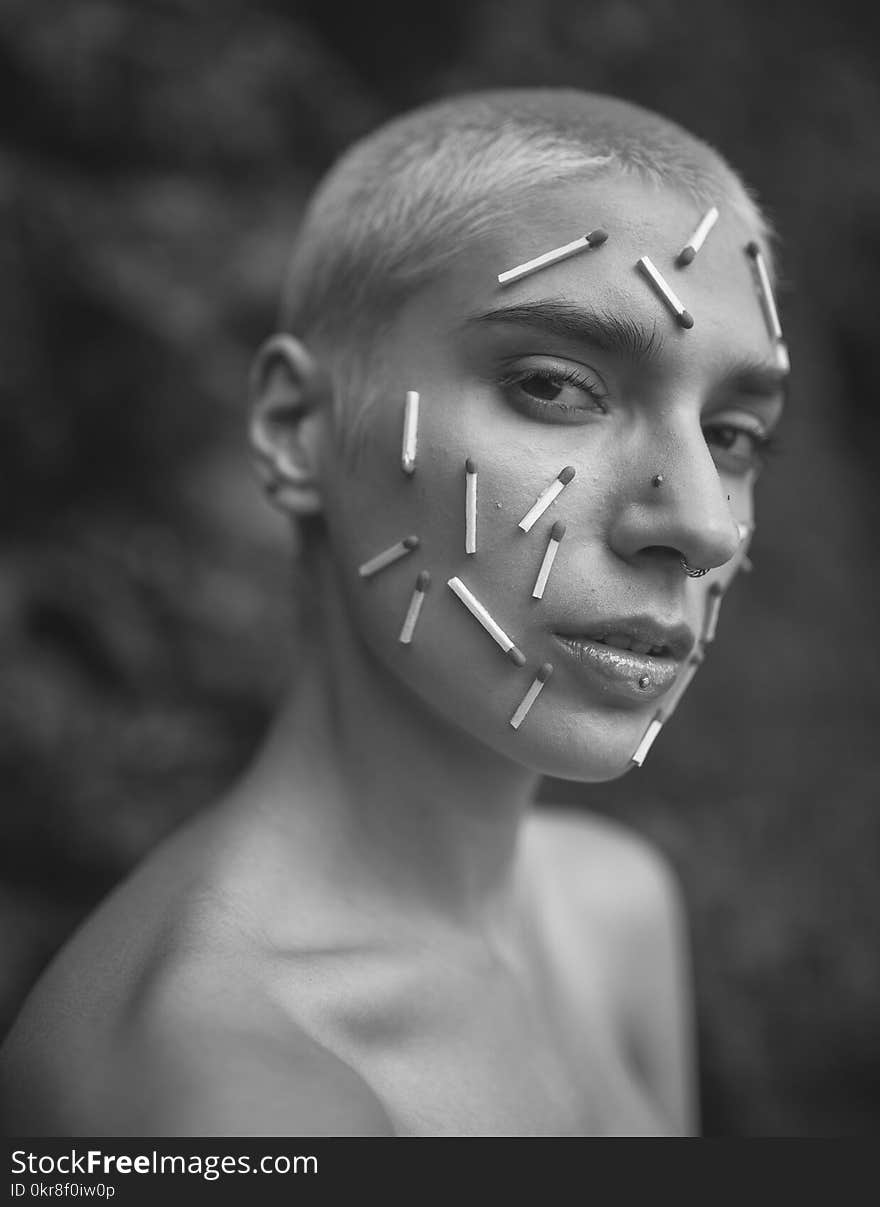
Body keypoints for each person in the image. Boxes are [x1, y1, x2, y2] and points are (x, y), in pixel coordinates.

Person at [0, 89, 786, 1137]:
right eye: (555, 385)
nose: (700, 523)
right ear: (296, 429)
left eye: (731, 436)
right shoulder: (221, 1102)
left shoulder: (613, 910)